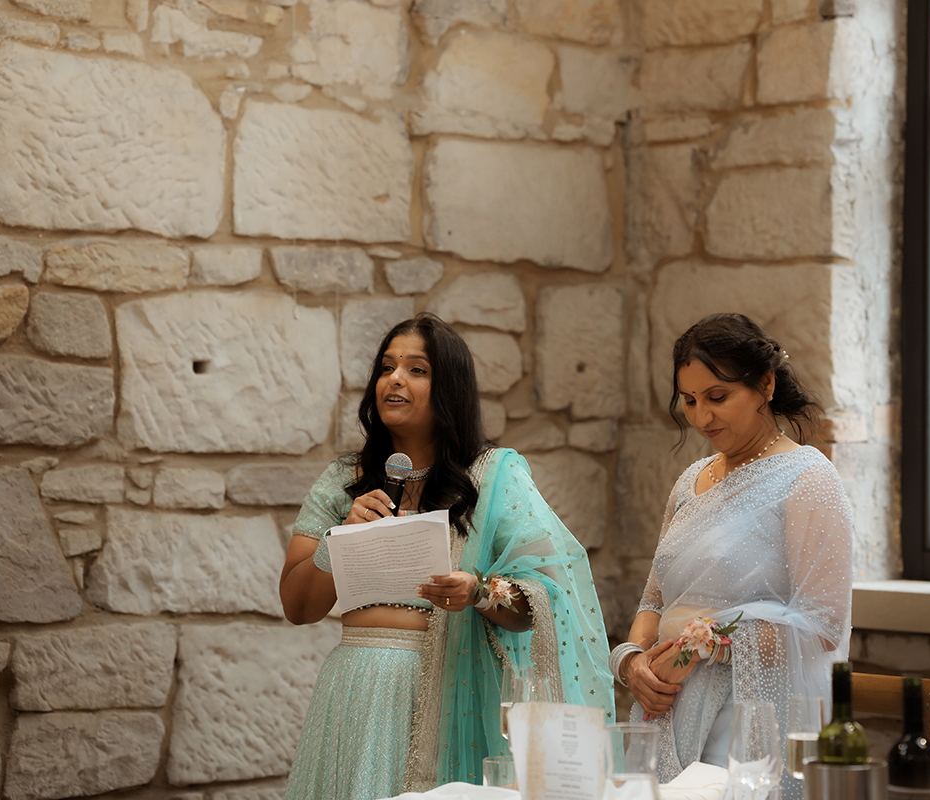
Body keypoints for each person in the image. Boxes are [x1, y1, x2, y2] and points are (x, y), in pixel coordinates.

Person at [279, 313, 613, 800]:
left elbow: (545, 599)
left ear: (448, 388)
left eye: (416, 369)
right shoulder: (342, 480)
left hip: (455, 694)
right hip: (357, 690)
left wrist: (478, 593)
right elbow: (297, 607)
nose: (394, 379)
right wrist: (338, 539)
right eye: (387, 367)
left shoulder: (492, 478)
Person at [608, 313, 853, 792]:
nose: (702, 418)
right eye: (691, 401)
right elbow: (655, 599)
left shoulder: (806, 478)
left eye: (718, 398)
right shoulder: (690, 481)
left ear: (765, 384)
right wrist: (634, 661)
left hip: (750, 714)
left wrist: (703, 647)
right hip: (667, 704)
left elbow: (822, 623)